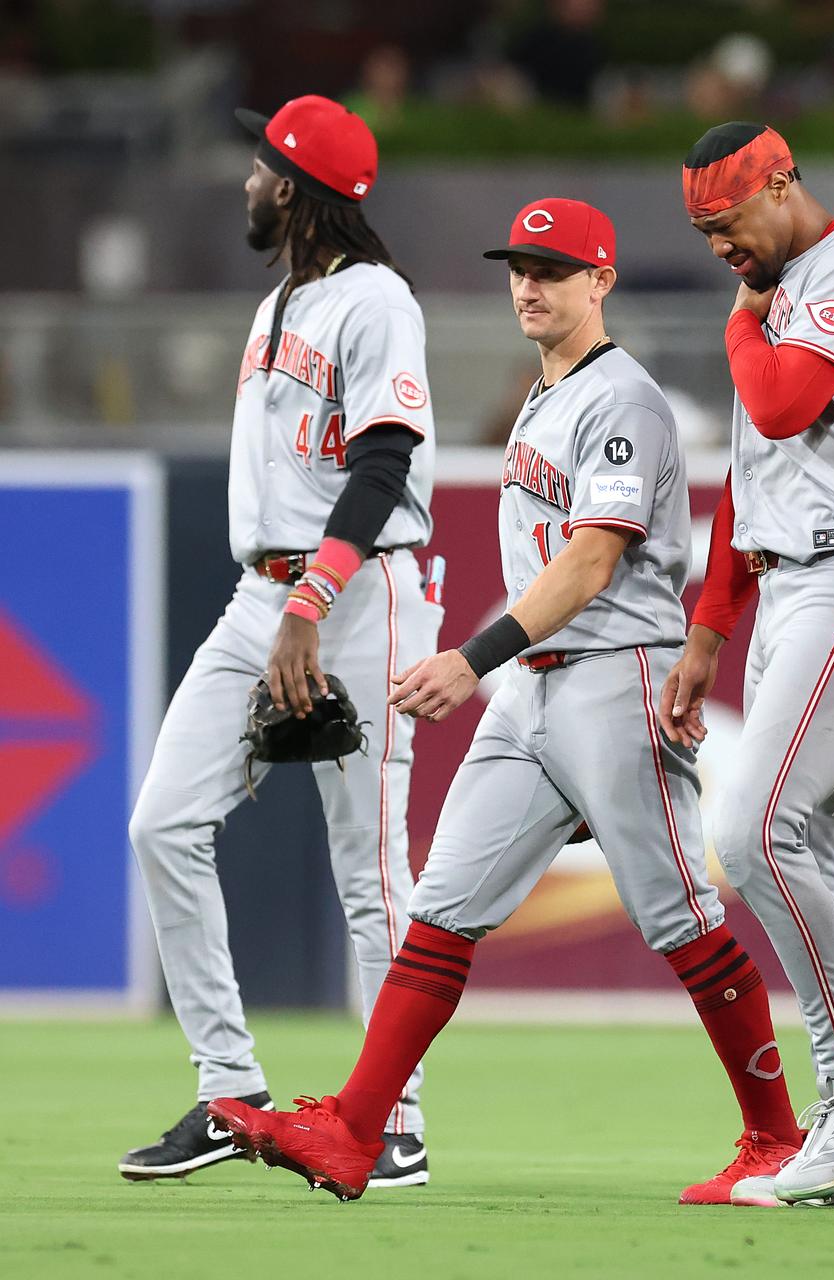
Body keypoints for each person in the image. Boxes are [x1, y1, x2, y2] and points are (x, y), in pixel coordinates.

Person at [206, 198, 811, 1206]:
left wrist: (472, 656)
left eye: (555, 269)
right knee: (442, 908)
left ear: (601, 281)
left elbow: (592, 559)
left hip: (616, 677)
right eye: (520, 267)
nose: (530, 285)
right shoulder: (543, 391)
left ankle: (777, 1135)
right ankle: (356, 1129)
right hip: (533, 695)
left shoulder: (623, 401)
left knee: (684, 920)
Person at [120, 95, 439, 1190]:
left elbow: (386, 460)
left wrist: (313, 601)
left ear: (294, 188)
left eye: (261, 167)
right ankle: (231, 1090)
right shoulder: (277, 308)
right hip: (264, 591)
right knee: (163, 820)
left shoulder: (376, 299)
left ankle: (394, 1120)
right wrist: (285, 603)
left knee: (370, 866)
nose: (248, 182)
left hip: (356, 591)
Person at [666, 122, 834, 1206]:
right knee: (803, 837)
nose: (721, 248)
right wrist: (708, 627)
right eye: (703, 234)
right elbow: (752, 466)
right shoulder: (784, 290)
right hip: (792, 580)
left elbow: (782, 399)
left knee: (751, 828)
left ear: (783, 186)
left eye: (729, 223)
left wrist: (743, 322)